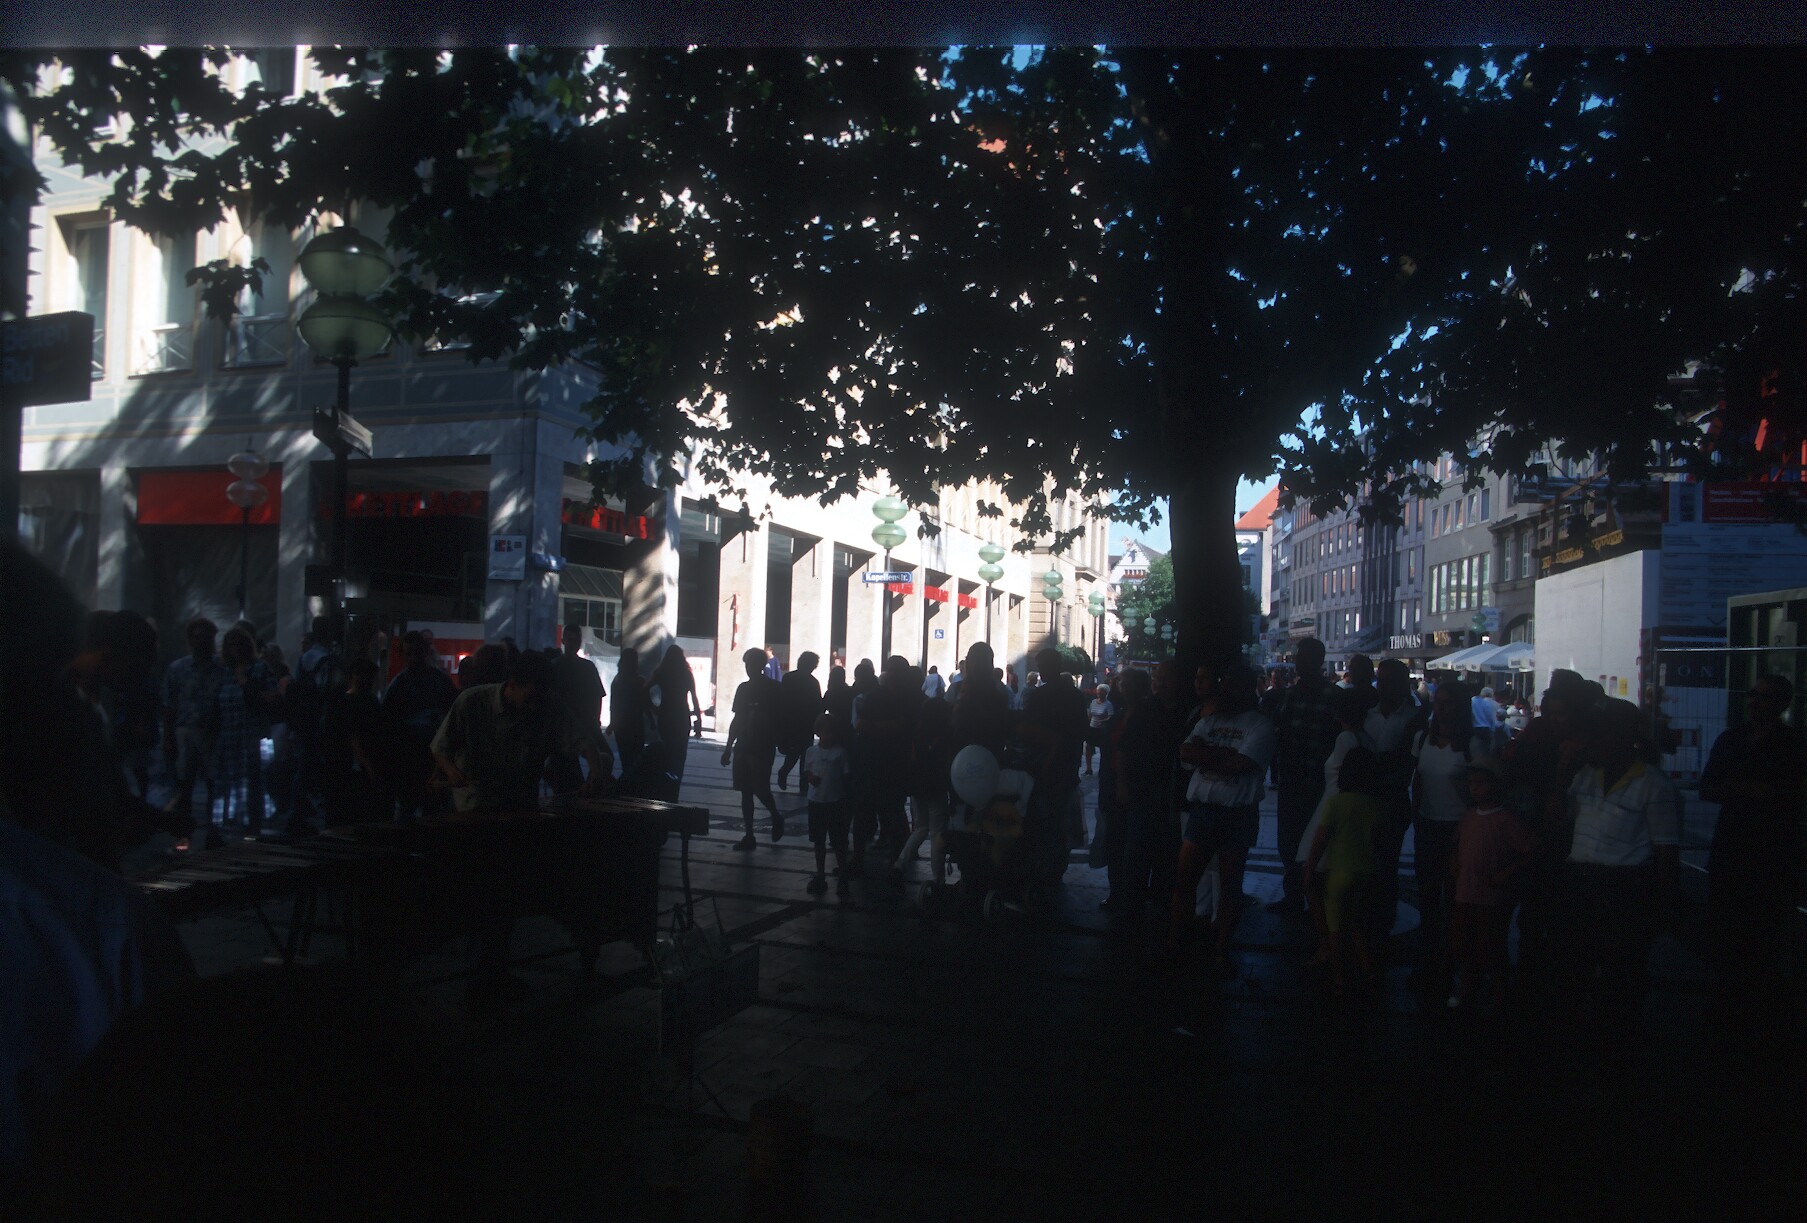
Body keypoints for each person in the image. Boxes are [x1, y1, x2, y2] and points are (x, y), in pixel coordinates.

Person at [430, 650, 614, 1003]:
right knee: (484, 896)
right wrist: (452, 772)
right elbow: (440, 748)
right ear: (512, 684)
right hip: (476, 814)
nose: (537, 704)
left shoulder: (547, 703)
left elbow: (584, 741)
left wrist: (595, 771)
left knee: (506, 897)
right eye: (532, 695)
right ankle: (483, 974)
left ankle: (494, 971)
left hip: (520, 811)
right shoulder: (472, 703)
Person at [1558, 699, 1681, 1040]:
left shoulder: (1652, 784)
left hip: (1623, 888)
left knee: (1621, 971)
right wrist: (1562, 773)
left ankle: (1617, 1038)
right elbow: (1558, 820)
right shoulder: (1586, 776)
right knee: (1579, 964)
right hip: (1583, 881)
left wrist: (1663, 902)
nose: (1588, 743)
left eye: (1596, 736)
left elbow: (1666, 849)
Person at [1698, 673, 1807, 1026]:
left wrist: (1737, 788)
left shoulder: (1789, 744)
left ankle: (1751, 998)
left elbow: (1787, 793)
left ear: (1782, 704)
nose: (1755, 702)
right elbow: (1709, 788)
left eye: (1764, 697)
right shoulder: (1736, 739)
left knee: (1762, 925)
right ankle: (1737, 995)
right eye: (1753, 695)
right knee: (1731, 921)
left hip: (1767, 850)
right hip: (1739, 846)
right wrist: (1754, 790)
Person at [1169, 663, 1276, 973]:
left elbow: (1241, 765)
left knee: (1229, 884)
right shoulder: (1211, 720)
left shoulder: (1259, 725)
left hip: (1236, 813)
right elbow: (1186, 753)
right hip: (1206, 809)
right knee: (1186, 879)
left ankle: (1219, 948)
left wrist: (1208, 754)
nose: (1224, 691)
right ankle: (1181, 942)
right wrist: (1224, 756)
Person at [1447, 755, 1539, 1012]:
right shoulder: (1470, 817)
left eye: (1480, 783)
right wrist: (1454, 860)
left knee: (1490, 945)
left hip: (1490, 894)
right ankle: (1471, 989)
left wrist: (1506, 873)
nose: (1474, 788)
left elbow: (1529, 850)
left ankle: (1497, 993)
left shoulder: (1505, 819)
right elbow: (1456, 845)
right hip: (1467, 891)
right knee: (1467, 943)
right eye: (1471, 783)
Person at [1294, 694, 1372, 965]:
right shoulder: (1367, 739)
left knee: (1314, 875)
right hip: (1351, 810)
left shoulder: (1345, 739)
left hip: (1332, 807)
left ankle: (1327, 943)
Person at [1304, 746, 1387, 996]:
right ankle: (1368, 969)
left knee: (1335, 926)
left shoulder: (1336, 803)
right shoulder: (1377, 806)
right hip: (1366, 871)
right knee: (1356, 924)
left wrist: (1309, 868)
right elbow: (1380, 842)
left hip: (1338, 871)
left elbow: (1320, 840)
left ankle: (1339, 977)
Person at [1410, 678, 1473, 992]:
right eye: (1438, 703)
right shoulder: (1423, 739)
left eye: (1448, 704)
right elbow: (1418, 779)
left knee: (1455, 900)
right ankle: (1430, 959)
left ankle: (1451, 963)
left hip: (1458, 828)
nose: (1442, 709)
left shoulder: (1472, 745)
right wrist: (1416, 813)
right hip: (1428, 824)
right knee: (1428, 897)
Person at [1269, 637, 1339, 915]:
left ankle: (1316, 898)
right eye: (1299, 656)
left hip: (1319, 783)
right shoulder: (1289, 695)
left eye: (1304, 657)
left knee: (1317, 842)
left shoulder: (1333, 696)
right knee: (1288, 841)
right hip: (1291, 779)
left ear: (1318, 661)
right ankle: (1294, 895)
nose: (1299, 662)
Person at [1116, 661, 1188, 926]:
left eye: (1166, 678)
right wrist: (1123, 784)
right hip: (1143, 791)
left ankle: (1160, 904)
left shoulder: (1186, 711)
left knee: (1168, 853)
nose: (1160, 683)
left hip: (1174, 793)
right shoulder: (1146, 709)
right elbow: (1124, 749)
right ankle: (1131, 908)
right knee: (1136, 853)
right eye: (1158, 678)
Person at [1363, 658, 1428, 950]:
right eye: (1382, 680)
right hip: (1365, 797)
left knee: (1387, 864)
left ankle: (1383, 920)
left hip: (1392, 799)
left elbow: (1407, 763)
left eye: (1390, 681)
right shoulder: (1369, 713)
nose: (1383, 686)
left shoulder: (1415, 718)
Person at [1019, 648, 1090, 886]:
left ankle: (1041, 865)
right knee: (1060, 820)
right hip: (1067, 766)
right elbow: (1082, 730)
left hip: (1044, 766)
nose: (1040, 671)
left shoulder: (1040, 696)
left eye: (1042, 666)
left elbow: (1029, 728)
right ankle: (1057, 866)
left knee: (1041, 818)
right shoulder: (1075, 696)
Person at [381, 630, 459, 822]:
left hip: (432, 756)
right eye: (409, 654)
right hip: (409, 756)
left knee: (428, 807)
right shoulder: (401, 685)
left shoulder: (437, 681)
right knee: (412, 806)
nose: (414, 658)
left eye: (417, 653)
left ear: (425, 652)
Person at [211, 625, 280, 839]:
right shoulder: (222, 671)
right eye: (230, 645)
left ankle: (253, 823)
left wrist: (247, 683)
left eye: (238, 644)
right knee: (227, 780)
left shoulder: (259, 668)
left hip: (252, 732)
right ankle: (227, 822)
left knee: (253, 780)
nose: (235, 649)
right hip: (228, 733)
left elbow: (271, 697)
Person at [282, 615, 346, 835]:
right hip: (321, 721)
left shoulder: (307, 657)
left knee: (304, 768)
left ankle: (297, 815)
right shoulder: (327, 659)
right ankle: (306, 814)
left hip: (306, 721)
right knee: (315, 768)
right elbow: (328, 691)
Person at [160, 617, 225, 834]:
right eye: (196, 637)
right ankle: (183, 833)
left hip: (213, 733)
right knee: (184, 785)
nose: (201, 642)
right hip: (185, 731)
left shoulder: (222, 668)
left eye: (205, 637)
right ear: (189, 640)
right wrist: (168, 737)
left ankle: (213, 831)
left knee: (214, 784)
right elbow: (169, 705)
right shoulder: (178, 668)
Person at [722, 647, 784, 849]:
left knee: (760, 787)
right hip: (744, 743)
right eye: (747, 664)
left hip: (762, 744)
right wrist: (729, 747)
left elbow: (780, 717)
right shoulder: (743, 688)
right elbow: (737, 718)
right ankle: (749, 834)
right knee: (745, 790)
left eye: (751, 664)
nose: (748, 668)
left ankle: (775, 815)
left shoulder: (773, 689)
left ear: (760, 665)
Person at [1098, 668, 1149, 910]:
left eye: (1129, 684)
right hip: (1112, 786)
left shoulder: (1147, 715)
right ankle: (1116, 892)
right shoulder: (1119, 714)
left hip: (1137, 787)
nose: (1124, 688)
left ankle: (1133, 897)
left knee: (1135, 848)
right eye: (1122, 684)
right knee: (1114, 843)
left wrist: (1123, 784)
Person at [894, 687, 954, 887]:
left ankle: (900, 864)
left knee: (920, 827)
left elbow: (913, 761)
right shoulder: (946, 736)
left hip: (918, 787)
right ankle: (938, 878)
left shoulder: (918, 734)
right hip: (936, 788)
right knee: (937, 833)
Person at [318, 658, 390, 827]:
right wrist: (370, 767)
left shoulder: (358, 701)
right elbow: (354, 739)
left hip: (348, 766)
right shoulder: (358, 702)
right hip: (350, 766)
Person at [549, 623, 606, 793]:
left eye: (574, 640)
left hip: (570, 724)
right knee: (601, 758)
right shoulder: (586, 667)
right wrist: (595, 720)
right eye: (570, 640)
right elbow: (597, 695)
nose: (572, 644)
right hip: (580, 722)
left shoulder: (555, 667)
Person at [801, 713, 854, 898]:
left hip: (834, 801)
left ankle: (841, 876)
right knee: (819, 840)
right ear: (818, 732)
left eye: (831, 732)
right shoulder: (811, 752)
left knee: (838, 841)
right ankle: (821, 873)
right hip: (817, 801)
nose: (828, 736)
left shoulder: (840, 753)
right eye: (826, 732)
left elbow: (846, 776)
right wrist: (811, 778)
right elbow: (807, 771)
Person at [648, 645, 703, 790]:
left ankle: (665, 783)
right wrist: (698, 720)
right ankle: (676, 784)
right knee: (680, 752)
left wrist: (653, 708)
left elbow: (644, 690)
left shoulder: (661, 673)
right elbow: (694, 698)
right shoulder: (686, 674)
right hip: (682, 716)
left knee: (667, 750)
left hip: (665, 715)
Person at [775, 651, 823, 791]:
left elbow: (781, 701)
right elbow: (817, 704)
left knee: (794, 752)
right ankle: (802, 785)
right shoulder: (813, 682)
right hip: (805, 724)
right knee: (804, 755)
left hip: (792, 722)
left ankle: (786, 772)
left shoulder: (789, 678)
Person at [608, 647, 647, 784]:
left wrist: (612, 723)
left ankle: (627, 784)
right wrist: (652, 721)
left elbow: (613, 704)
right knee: (636, 758)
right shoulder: (640, 681)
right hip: (636, 724)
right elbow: (646, 703)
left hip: (621, 726)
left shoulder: (617, 680)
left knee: (625, 757)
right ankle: (634, 784)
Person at [1084, 684, 1115, 776]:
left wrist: (1103, 720)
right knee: (1088, 747)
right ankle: (1088, 768)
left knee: (1103, 749)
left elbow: (1110, 716)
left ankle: (1102, 768)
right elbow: (1090, 714)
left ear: (1106, 693)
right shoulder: (1093, 702)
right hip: (1092, 728)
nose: (1099, 693)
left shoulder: (1108, 704)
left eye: (1102, 691)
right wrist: (1087, 723)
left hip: (1102, 729)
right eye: (1099, 691)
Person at [1472, 684, 1505, 754]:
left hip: (1475, 728)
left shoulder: (1472, 701)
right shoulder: (1494, 704)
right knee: (1486, 750)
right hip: (1487, 729)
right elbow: (1490, 716)